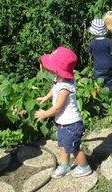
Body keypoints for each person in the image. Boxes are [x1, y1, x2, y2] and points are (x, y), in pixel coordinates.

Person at [35, 46, 92, 178]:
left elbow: (57, 108)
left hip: (71, 124)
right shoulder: (59, 80)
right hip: (63, 123)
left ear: (58, 69)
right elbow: (54, 89)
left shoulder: (65, 87)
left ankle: (84, 167)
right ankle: (65, 165)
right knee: (62, 145)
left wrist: (44, 114)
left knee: (73, 148)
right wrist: (46, 97)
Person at [88, 18, 112, 93]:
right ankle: (110, 92)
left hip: (98, 66)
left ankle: (100, 94)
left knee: (99, 82)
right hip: (109, 65)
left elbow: (90, 52)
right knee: (110, 79)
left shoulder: (92, 43)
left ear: (93, 32)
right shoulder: (108, 41)